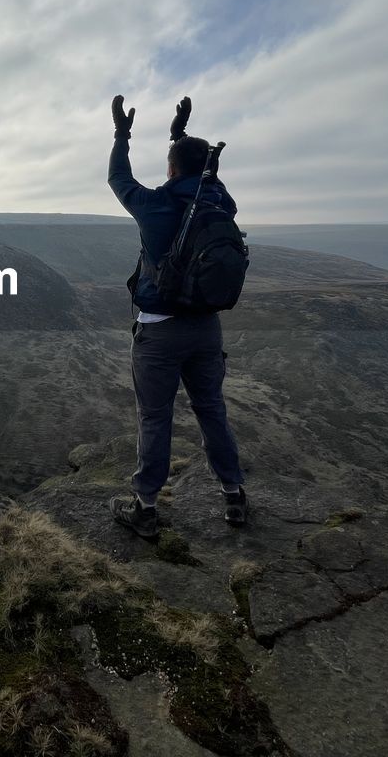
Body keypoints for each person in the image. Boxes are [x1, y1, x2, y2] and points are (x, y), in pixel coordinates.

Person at [107, 94, 247, 539]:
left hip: (159, 332)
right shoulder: (221, 204)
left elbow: (118, 177)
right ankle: (234, 496)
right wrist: (180, 136)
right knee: (212, 411)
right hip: (206, 328)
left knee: (154, 417)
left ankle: (145, 507)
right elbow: (205, 177)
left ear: (170, 168)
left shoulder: (154, 207)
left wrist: (122, 135)